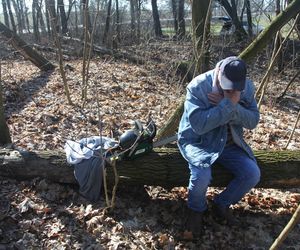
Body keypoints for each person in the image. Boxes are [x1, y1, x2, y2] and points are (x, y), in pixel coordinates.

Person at [177, 56, 261, 237]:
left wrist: (231, 106)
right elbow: (199, 125)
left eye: (235, 87)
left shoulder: (247, 87)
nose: (230, 90)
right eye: (227, 85)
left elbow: (253, 120)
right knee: (201, 176)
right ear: (219, 73)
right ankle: (195, 210)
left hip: (230, 144)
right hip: (198, 142)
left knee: (252, 174)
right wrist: (227, 106)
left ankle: (221, 204)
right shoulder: (198, 86)